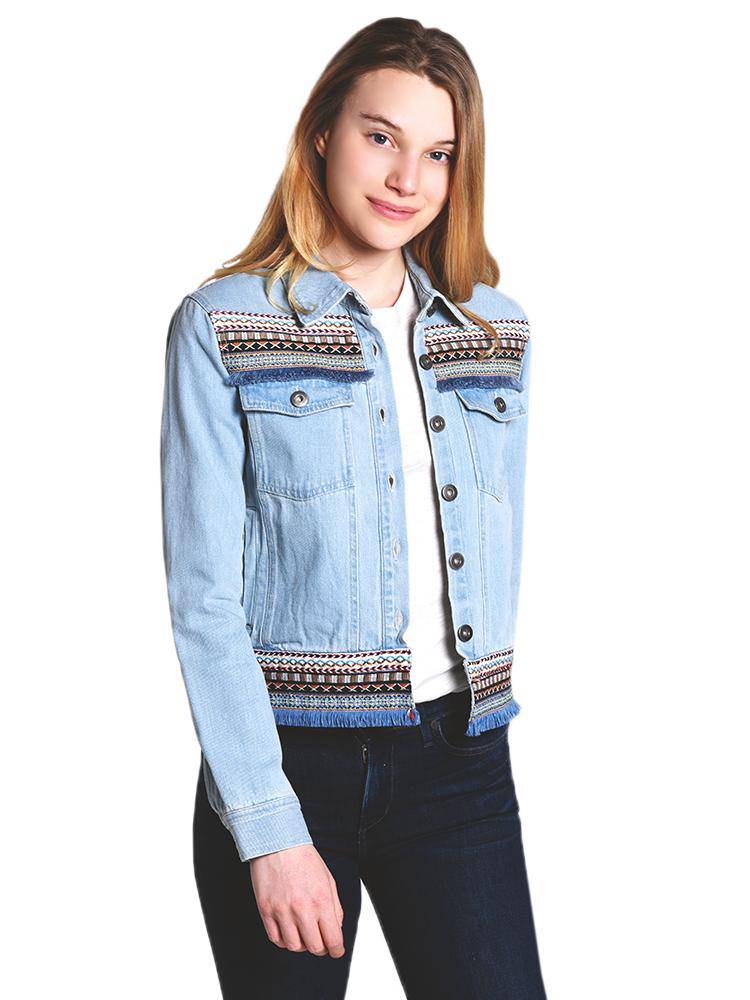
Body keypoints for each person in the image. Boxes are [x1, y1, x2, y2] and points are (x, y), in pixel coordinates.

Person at [160, 16, 547, 1000]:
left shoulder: (492, 330)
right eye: (382, 137)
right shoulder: (224, 324)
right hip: (288, 762)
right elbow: (205, 600)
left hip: (461, 763)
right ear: (324, 131)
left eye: (439, 153)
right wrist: (267, 826)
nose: (407, 178)